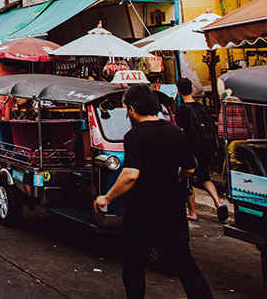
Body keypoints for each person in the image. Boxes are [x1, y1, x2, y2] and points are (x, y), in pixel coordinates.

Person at [93, 84, 213, 299]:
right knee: (184, 263)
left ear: (131, 110)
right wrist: (173, 177)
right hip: (173, 210)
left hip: (143, 211)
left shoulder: (134, 136)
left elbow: (130, 174)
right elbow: (190, 168)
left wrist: (107, 197)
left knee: (133, 263)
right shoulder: (176, 132)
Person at [175, 78, 228, 222]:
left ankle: (192, 212)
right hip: (207, 147)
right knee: (205, 177)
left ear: (178, 92)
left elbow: (181, 132)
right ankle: (219, 203)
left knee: (187, 180)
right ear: (192, 90)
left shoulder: (181, 111)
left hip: (191, 149)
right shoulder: (202, 108)